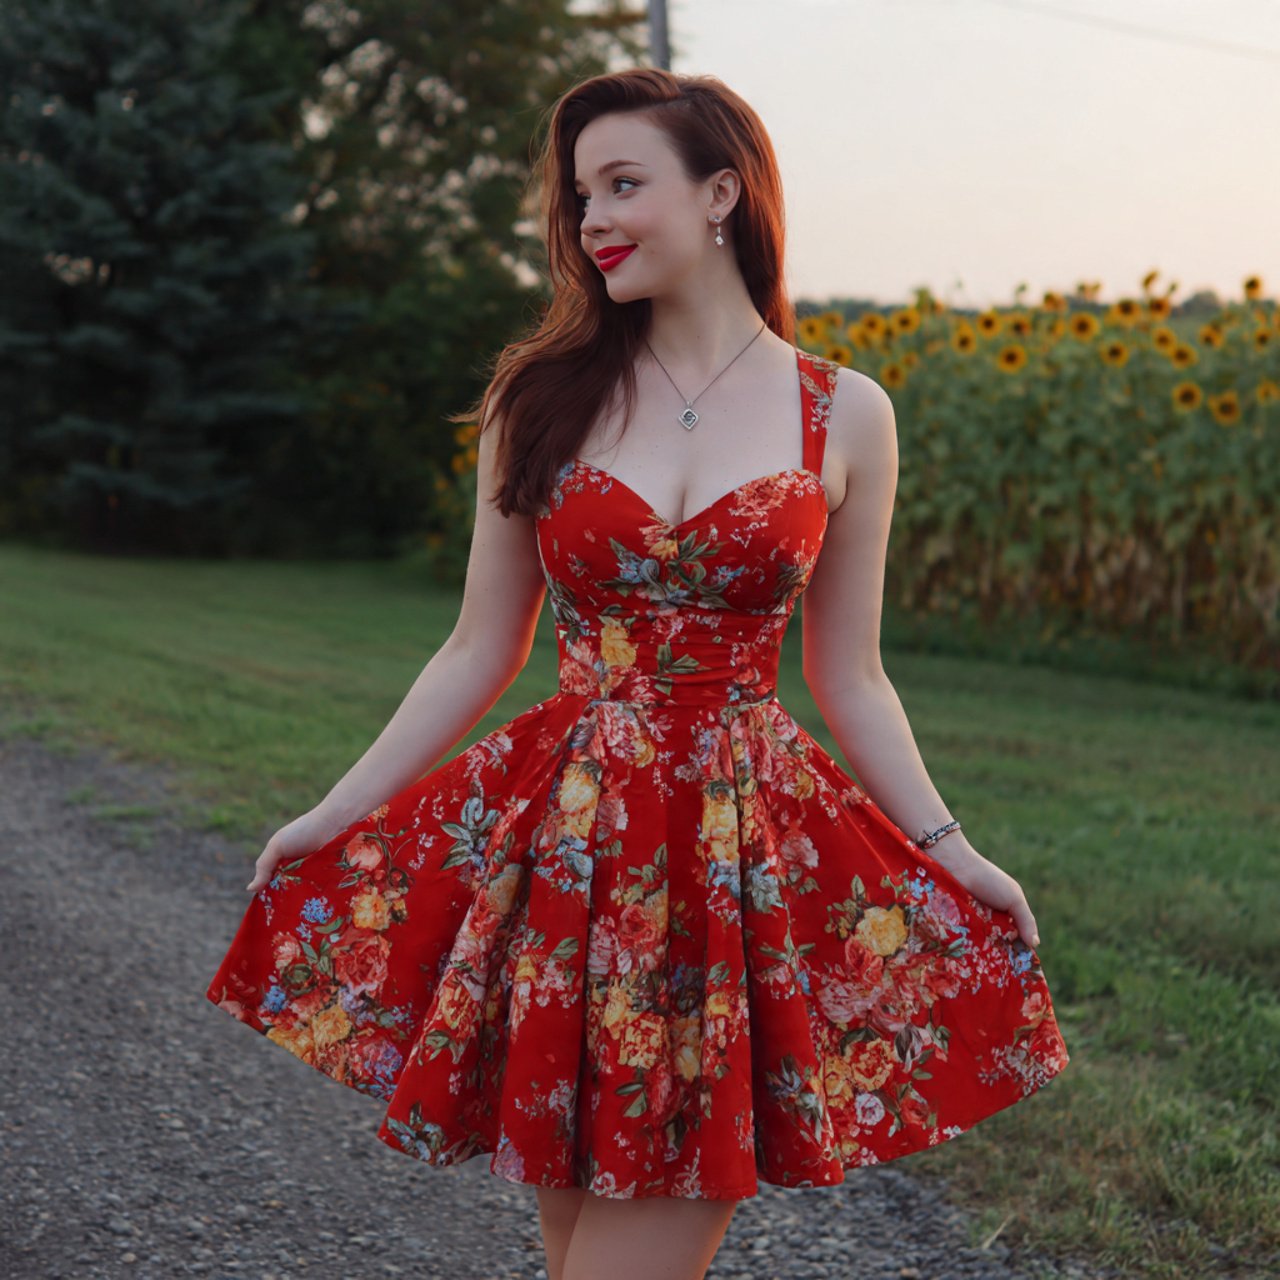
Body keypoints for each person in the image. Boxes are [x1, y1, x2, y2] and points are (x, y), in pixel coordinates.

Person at [207, 67, 1070, 1280]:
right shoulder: (539, 396)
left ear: (722, 192)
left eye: (623, 184)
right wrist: (336, 809)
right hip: (568, 852)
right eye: (578, 196)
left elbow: (851, 675)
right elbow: (477, 646)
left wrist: (946, 845)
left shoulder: (844, 413)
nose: (590, 219)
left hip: (731, 860)